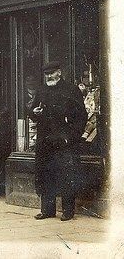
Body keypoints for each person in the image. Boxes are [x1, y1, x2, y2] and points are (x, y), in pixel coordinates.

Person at [30, 61, 87, 221]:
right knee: (45, 174)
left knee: (66, 174)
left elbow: (81, 116)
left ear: (59, 73)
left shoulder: (71, 90)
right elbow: (33, 111)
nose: (48, 76)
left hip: (64, 141)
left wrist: (72, 137)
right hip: (45, 140)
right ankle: (47, 210)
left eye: (51, 73)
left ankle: (68, 211)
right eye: (46, 74)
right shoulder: (41, 90)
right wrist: (34, 112)